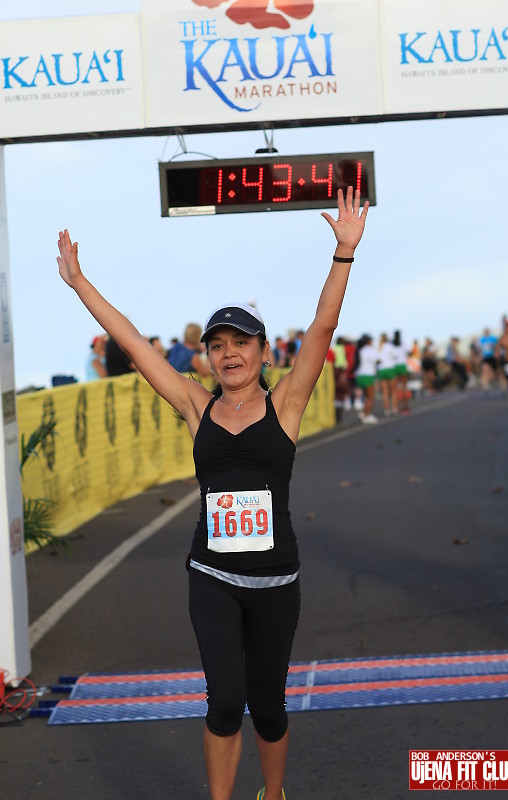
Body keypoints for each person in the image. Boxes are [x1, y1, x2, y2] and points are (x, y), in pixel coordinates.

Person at [56, 186, 369, 800]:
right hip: (214, 575)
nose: (229, 354)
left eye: (241, 344)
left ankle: (272, 795)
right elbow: (134, 346)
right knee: (226, 700)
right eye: (218, 346)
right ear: (208, 359)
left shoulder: (287, 403)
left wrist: (344, 255)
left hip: (276, 579)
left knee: (270, 707)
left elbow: (324, 326)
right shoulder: (194, 406)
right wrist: (80, 283)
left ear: (263, 352)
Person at [355, 334, 379, 424]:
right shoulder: (370, 350)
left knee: (366, 397)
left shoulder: (360, 350)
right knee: (371, 397)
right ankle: (367, 415)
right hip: (368, 375)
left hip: (359, 375)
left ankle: (363, 412)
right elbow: (377, 360)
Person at [377, 333, 397, 416]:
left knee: (385, 391)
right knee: (393, 391)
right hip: (390, 368)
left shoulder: (378, 347)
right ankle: (394, 408)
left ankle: (387, 410)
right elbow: (395, 356)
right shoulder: (390, 346)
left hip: (382, 370)